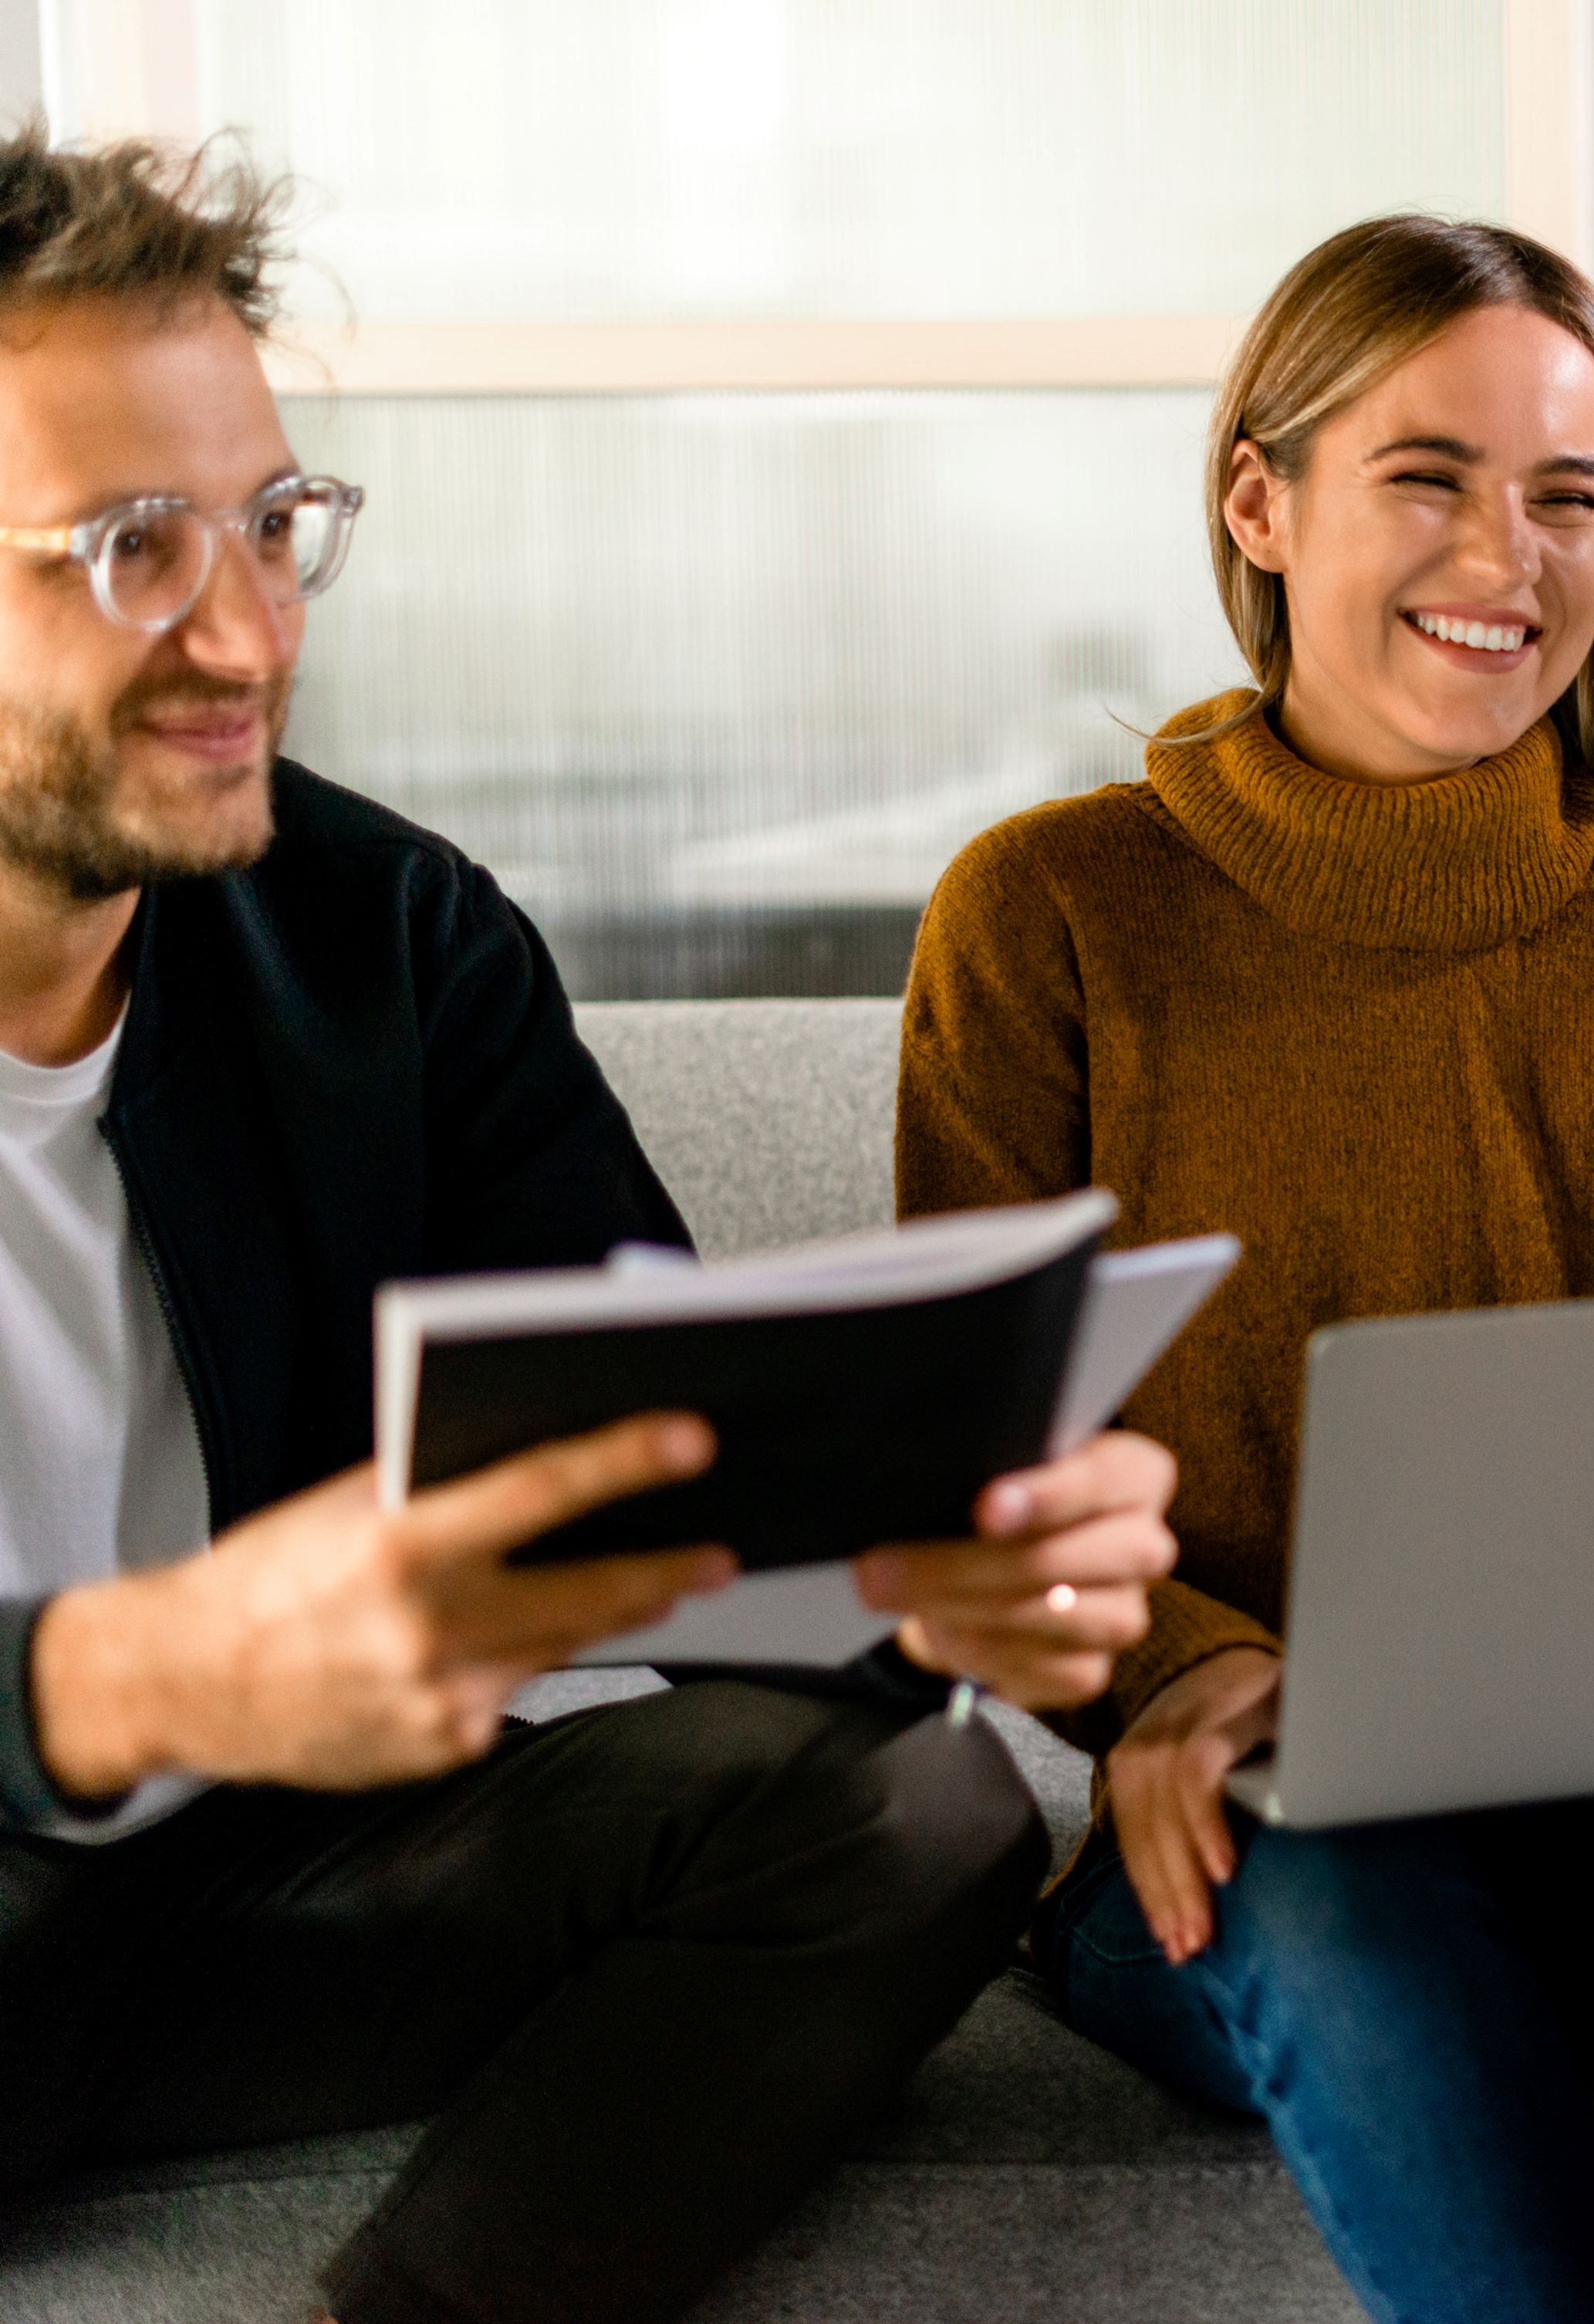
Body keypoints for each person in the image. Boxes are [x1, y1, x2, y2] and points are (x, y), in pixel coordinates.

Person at [0, 133, 1184, 2324]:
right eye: (129, 548)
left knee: (904, 1801)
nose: (247, 631)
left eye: (274, 525)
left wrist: (936, 1575)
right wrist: (125, 1670)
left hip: (267, 1884)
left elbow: (678, 1448)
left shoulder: (385, 936)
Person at [897, 215, 1594, 2323]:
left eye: (1570, 496)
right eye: (1431, 478)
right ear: (1257, 500)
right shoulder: (1048, 918)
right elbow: (979, 1471)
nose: (1512, 555)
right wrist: (1185, 1669)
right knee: (1328, 1856)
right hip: (1260, 1827)